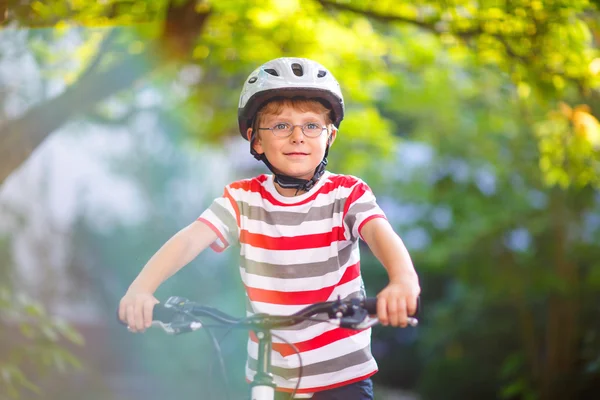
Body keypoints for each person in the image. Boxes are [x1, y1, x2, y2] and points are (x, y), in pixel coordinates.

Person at [118, 57, 420, 399]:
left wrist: (402, 281)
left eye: (311, 125)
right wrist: (142, 288)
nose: (297, 137)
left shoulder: (347, 194)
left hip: (341, 375)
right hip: (270, 375)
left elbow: (380, 233)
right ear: (256, 140)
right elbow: (190, 240)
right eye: (280, 126)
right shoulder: (243, 200)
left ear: (330, 136)